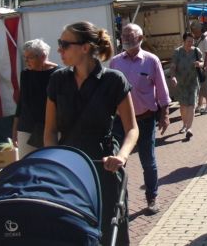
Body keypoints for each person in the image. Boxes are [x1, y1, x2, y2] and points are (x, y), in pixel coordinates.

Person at [44, 21, 139, 246]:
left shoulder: (114, 80)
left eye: (64, 44)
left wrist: (121, 156)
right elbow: (50, 130)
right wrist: (53, 162)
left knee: (111, 233)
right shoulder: (58, 80)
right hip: (69, 172)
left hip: (105, 168)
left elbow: (132, 129)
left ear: (85, 47)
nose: (59, 49)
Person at [110, 23, 171, 215]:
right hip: (120, 121)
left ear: (141, 38)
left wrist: (165, 114)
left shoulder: (151, 61)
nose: (126, 38)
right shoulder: (115, 62)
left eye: (131, 35)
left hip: (145, 119)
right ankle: (120, 201)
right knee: (118, 161)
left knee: (148, 161)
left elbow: (162, 89)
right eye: (124, 35)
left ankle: (152, 197)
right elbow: (110, 92)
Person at [13, 39, 58, 157]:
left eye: (30, 57)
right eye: (25, 57)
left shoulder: (58, 74)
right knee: (28, 162)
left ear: (43, 56)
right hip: (27, 128)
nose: (26, 61)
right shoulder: (25, 74)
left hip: (51, 129)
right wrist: (15, 130)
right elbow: (21, 103)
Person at [170, 33, 203, 139]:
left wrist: (199, 64)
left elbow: (203, 62)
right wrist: (173, 77)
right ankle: (184, 124)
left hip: (193, 82)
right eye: (188, 41)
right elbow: (173, 66)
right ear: (183, 41)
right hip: (181, 83)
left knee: (191, 104)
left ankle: (189, 128)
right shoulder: (177, 52)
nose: (190, 43)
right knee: (183, 106)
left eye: (192, 41)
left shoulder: (196, 51)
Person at [190, 21, 207, 114]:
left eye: (195, 31)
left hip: (205, 66)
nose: (194, 33)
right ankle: (200, 105)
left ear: (199, 30)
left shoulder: (205, 39)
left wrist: (205, 66)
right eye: (193, 31)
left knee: (205, 86)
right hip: (198, 66)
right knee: (200, 87)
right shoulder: (195, 39)